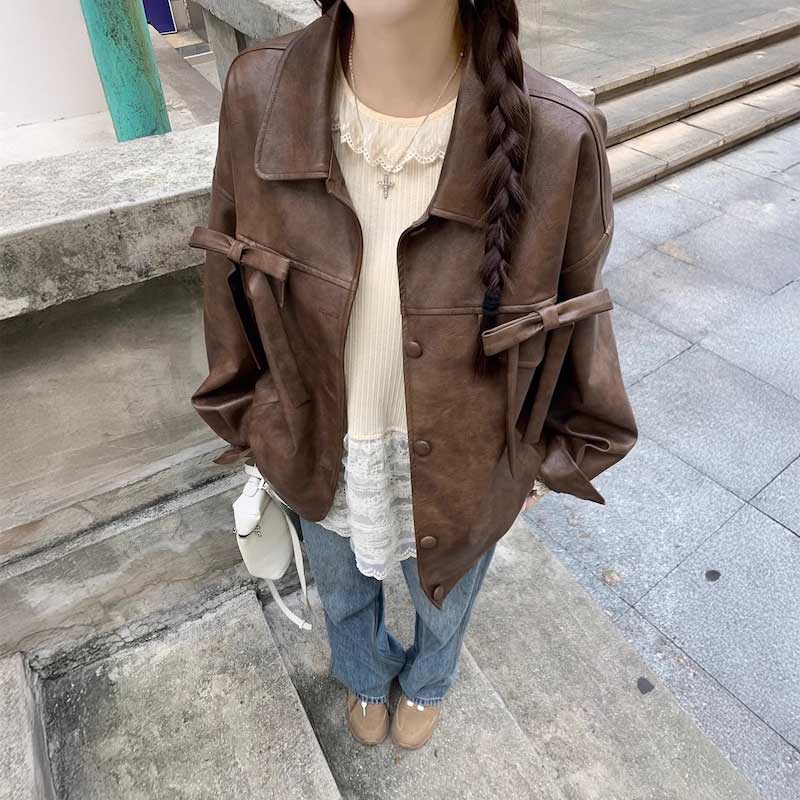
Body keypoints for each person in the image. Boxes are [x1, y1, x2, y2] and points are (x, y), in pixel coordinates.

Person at [189, 0, 637, 751]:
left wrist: (538, 460)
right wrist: (253, 419)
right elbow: (226, 278)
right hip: (316, 436)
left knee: (446, 600)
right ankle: (363, 674)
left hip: (469, 460)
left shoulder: (558, 134)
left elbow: (576, 318)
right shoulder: (259, 91)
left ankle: (429, 681)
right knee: (340, 587)